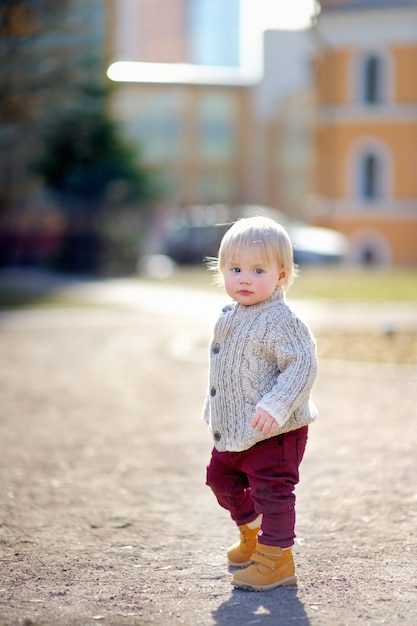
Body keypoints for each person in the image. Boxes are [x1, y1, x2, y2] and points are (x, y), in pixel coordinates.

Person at [203, 215, 318, 592]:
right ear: (222, 271)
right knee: (220, 479)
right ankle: (250, 530)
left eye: (257, 269)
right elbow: (226, 371)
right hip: (235, 429)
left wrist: (278, 404)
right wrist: (213, 409)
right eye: (235, 269)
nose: (245, 278)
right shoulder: (229, 316)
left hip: (276, 431)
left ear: (281, 276)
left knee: (273, 491)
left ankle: (276, 558)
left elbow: (302, 364)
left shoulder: (281, 320)